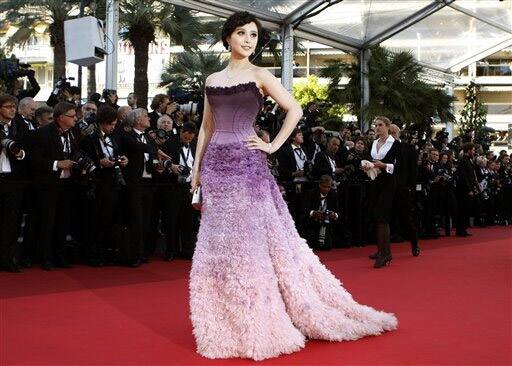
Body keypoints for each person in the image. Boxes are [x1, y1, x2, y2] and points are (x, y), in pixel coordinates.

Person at [188, 11, 397, 361]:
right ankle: (223, 319)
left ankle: (259, 317)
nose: (248, 40)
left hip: (246, 166)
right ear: (227, 37)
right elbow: (207, 128)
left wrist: (271, 145)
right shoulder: (211, 79)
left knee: (249, 243)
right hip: (216, 170)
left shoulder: (260, 75)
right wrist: (195, 169)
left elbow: (295, 110)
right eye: (242, 33)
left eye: (254, 35)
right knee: (218, 245)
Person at [364, 116, 401, 268]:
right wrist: (367, 165)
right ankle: (382, 251)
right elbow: (370, 160)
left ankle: (385, 254)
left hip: (389, 183)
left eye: (380, 125)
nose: (377, 127)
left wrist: (384, 165)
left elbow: (400, 166)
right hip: (375, 182)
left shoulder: (396, 144)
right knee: (378, 217)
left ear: (387, 126)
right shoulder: (373, 143)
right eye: (375, 125)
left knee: (382, 217)